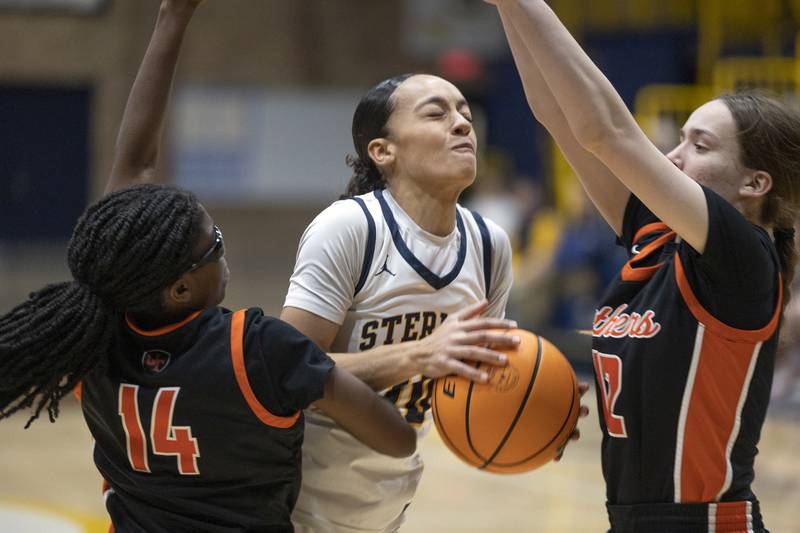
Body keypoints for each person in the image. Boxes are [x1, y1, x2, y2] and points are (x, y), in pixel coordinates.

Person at [0, 1, 416, 531]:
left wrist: (171, 18)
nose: (224, 250)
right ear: (178, 289)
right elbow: (397, 438)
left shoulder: (94, 341)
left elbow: (135, 168)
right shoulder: (259, 350)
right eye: (214, 244)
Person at [485, 1, 800, 532]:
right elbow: (556, 116)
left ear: (755, 184)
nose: (674, 157)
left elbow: (607, 132)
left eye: (699, 145)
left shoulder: (744, 256)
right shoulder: (657, 241)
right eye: (679, 138)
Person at [280, 74, 523, 531]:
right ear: (382, 151)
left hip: (388, 506)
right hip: (291, 504)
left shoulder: (490, 246)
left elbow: (478, 379)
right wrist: (418, 354)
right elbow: (281, 371)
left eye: (466, 115)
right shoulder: (351, 228)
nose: (462, 125)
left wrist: (539, 401)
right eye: (437, 113)